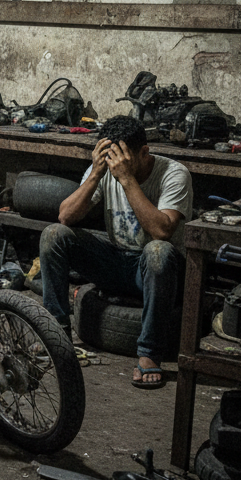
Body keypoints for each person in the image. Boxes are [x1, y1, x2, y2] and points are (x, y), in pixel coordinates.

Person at [39, 114, 193, 388]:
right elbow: (65, 216)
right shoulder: (105, 167)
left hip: (160, 271)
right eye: (111, 160)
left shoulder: (174, 173)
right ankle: (55, 333)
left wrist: (126, 178)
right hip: (118, 262)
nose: (115, 165)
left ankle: (148, 354)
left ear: (144, 153)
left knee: (158, 250)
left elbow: (162, 231)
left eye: (122, 160)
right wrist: (97, 173)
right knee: (54, 235)